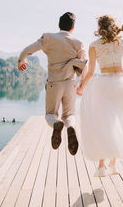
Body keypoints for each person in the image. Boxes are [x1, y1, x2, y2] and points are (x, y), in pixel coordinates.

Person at [77, 15, 123, 176]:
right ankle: (113, 165)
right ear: (113, 26)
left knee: (103, 124)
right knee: (120, 122)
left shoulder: (94, 46)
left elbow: (90, 73)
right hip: (122, 85)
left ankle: (102, 165)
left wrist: (82, 87)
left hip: (103, 85)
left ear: (99, 28)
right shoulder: (121, 42)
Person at [18, 12, 87, 155]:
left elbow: (28, 49)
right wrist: (82, 85)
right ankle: (70, 127)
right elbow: (84, 65)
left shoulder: (49, 38)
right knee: (69, 115)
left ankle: (56, 124)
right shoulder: (78, 43)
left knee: (50, 114)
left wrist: (21, 60)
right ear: (73, 28)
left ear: (58, 25)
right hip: (71, 84)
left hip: (54, 83)